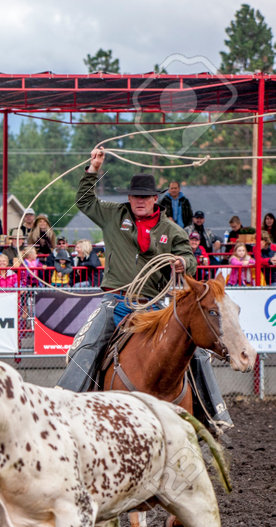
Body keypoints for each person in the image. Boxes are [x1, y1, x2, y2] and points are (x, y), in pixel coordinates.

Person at [57, 148, 229, 430]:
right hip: (116, 301)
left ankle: (214, 416)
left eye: (145, 197)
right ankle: (62, 411)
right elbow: (84, 201)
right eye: (135, 196)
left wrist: (180, 262)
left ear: (154, 199)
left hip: (154, 303)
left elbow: (191, 259)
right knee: (87, 346)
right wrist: (93, 169)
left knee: (194, 349)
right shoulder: (113, 215)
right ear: (129, 198)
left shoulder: (172, 230)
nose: (139, 201)